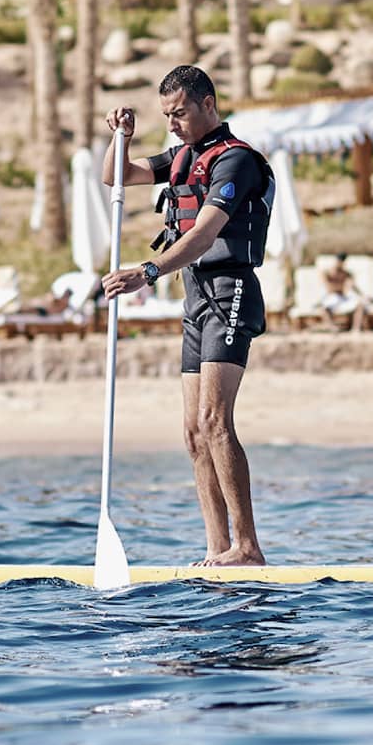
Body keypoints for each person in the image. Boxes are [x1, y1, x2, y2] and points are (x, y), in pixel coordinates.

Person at [101, 64, 275, 567]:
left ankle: (248, 546)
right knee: (192, 431)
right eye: (166, 116)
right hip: (195, 295)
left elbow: (202, 233)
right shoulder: (182, 158)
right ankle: (217, 547)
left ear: (208, 104)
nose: (172, 123)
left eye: (179, 113)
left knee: (215, 420)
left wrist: (148, 271)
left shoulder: (236, 162)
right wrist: (122, 138)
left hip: (230, 289)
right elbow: (117, 175)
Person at [321, 254, 367, 332]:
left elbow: (354, 287)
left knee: (360, 306)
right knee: (324, 308)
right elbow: (329, 288)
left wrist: (362, 295)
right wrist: (343, 287)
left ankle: (355, 329)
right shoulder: (327, 273)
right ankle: (331, 327)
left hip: (343, 297)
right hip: (333, 297)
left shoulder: (346, 274)